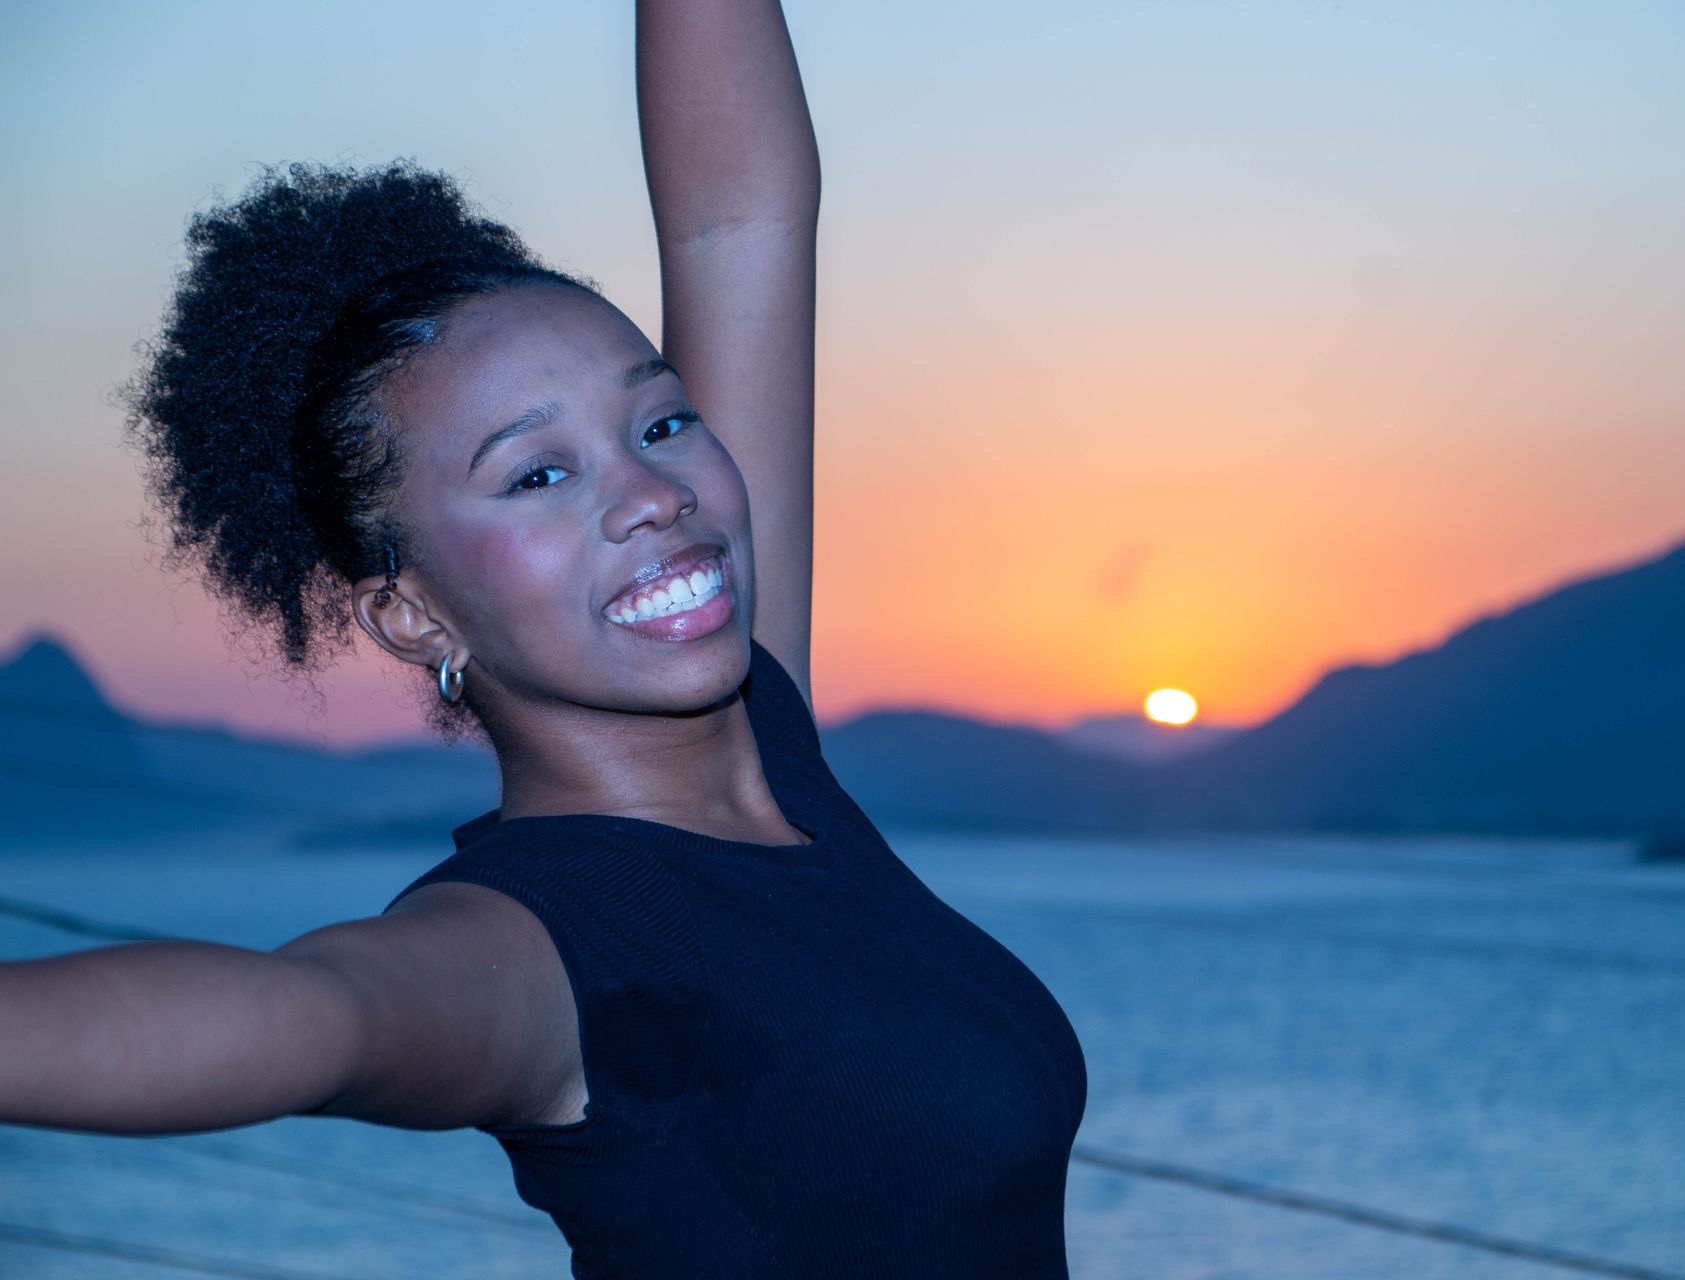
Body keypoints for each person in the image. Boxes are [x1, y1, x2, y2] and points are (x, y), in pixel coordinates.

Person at [0, 2, 1088, 1276]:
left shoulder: (764, 736)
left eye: (664, 423)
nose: (649, 492)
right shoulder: (537, 950)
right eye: (535, 476)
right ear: (412, 612)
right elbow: (315, 1018)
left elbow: (736, 220)